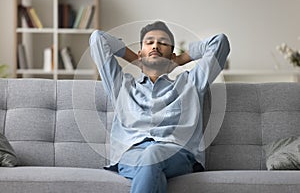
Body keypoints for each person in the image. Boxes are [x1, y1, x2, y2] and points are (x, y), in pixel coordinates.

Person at [89, 21, 230, 193]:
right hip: (131, 156)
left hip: (177, 154)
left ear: (171, 54)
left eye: (163, 43)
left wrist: (179, 60)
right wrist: (135, 60)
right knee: (155, 173)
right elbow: (98, 39)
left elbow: (220, 42)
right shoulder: (121, 86)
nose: (155, 45)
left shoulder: (191, 83)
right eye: (149, 42)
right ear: (141, 52)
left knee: (152, 155)